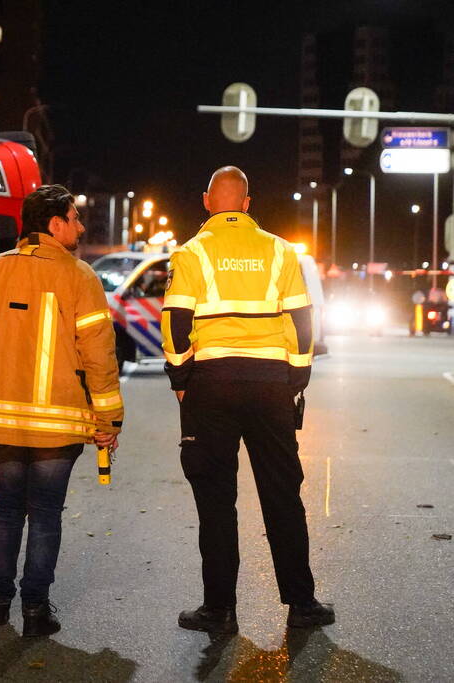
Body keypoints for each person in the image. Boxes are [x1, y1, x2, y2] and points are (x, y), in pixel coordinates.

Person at [0, 184, 124, 638]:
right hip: (58, 426)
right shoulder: (80, 278)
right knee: (45, 515)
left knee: (7, 510)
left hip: (2, 422)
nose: (81, 227)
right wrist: (109, 421)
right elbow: (99, 358)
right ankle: (36, 610)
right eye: (74, 218)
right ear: (54, 224)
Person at [161, 166, 334, 634]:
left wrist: (180, 375)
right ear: (247, 203)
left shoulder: (192, 252)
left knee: (216, 500)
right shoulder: (279, 251)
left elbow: (176, 318)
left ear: (206, 201)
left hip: (211, 384)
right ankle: (302, 604)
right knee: (283, 494)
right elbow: (301, 319)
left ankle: (218, 610)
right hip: (270, 382)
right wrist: (297, 375)